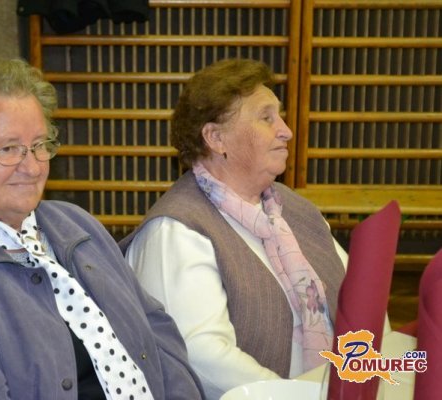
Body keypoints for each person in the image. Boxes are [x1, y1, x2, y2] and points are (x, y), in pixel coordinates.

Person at [0, 58, 205, 400]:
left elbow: (156, 329)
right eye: (9, 149)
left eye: (39, 145)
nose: (33, 167)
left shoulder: (76, 224)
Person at [120, 58, 348, 400]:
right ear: (216, 138)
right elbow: (202, 358)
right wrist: (301, 395)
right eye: (266, 118)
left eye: (279, 116)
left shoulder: (294, 210)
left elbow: (357, 295)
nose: (286, 130)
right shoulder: (175, 233)